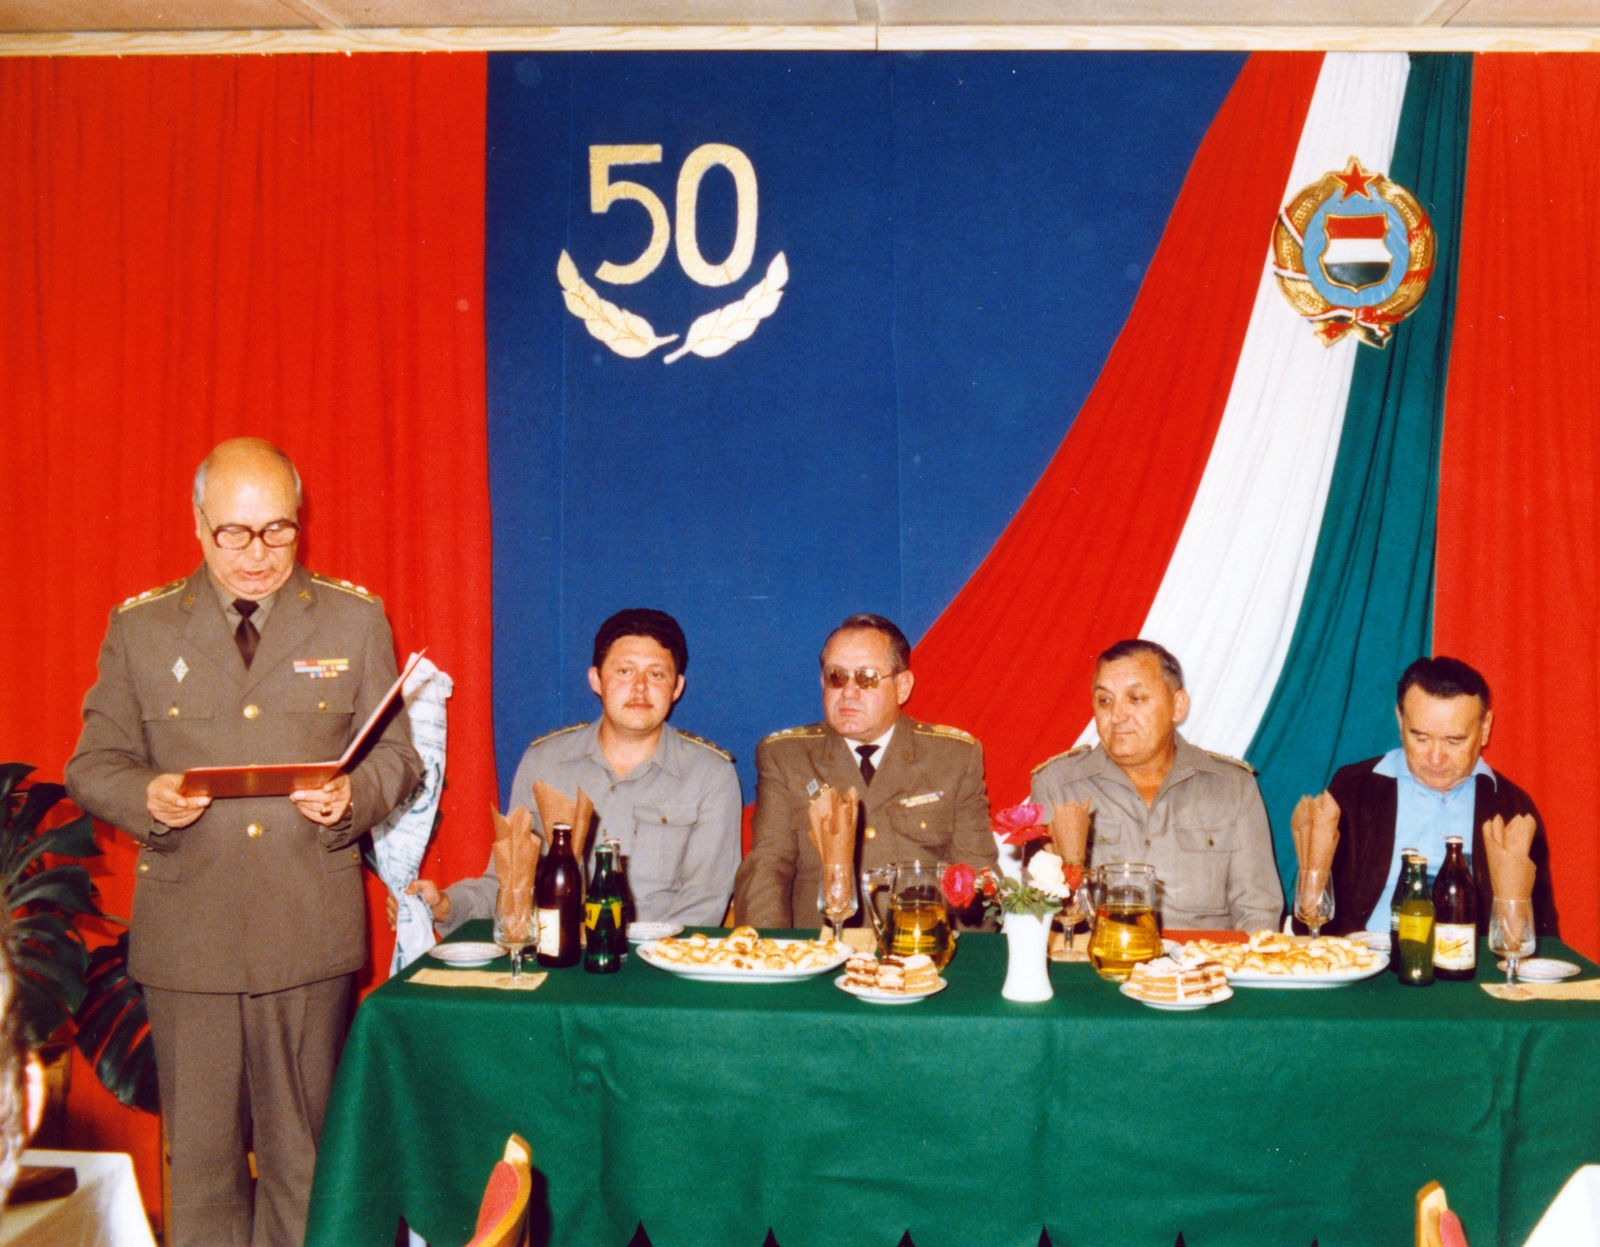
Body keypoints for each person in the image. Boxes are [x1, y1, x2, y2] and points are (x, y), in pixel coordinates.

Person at [64, 438, 420, 1247]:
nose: (258, 555)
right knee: (199, 1172)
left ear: (302, 524)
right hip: (192, 942)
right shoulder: (143, 627)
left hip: (306, 931)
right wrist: (145, 794)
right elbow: (92, 763)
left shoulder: (353, 618)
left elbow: (399, 756)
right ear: (197, 524)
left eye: (278, 531)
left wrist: (353, 796)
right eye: (234, 533)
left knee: (306, 1161)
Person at [406, 609, 741, 932]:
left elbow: (704, 902)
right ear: (596, 679)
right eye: (624, 671)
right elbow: (507, 884)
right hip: (557, 963)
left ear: (677, 687)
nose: (639, 687)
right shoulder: (545, 763)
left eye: (656, 674)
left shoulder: (710, 776)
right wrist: (447, 905)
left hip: (656, 969)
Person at [733, 613, 995, 928]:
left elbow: (978, 877)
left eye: (867, 677)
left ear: (903, 686)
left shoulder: (953, 758)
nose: (848, 692)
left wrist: (959, 962)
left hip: (920, 952)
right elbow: (767, 869)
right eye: (836, 677)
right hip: (822, 953)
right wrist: (773, 956)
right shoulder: (786, 757)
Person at [1030, 639, 1283, 931]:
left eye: (1135, 698)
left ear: (1178, 706)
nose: (1116, 716)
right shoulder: (1059, 785)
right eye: (1105, 700)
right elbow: (1037, 911)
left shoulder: (1231, 787)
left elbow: (1258, 913)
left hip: (1203, 966)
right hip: (1095, 965)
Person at [1316, 656, 1558, 937]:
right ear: (1400, 719)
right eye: (1421, 738)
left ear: (1485, 729)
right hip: (1368, 965)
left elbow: (1540, 929)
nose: (1435, 758)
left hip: (1469, 970)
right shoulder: (1352, 790)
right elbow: (1315, 908)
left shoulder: (1512, 809)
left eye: (1454, 741)